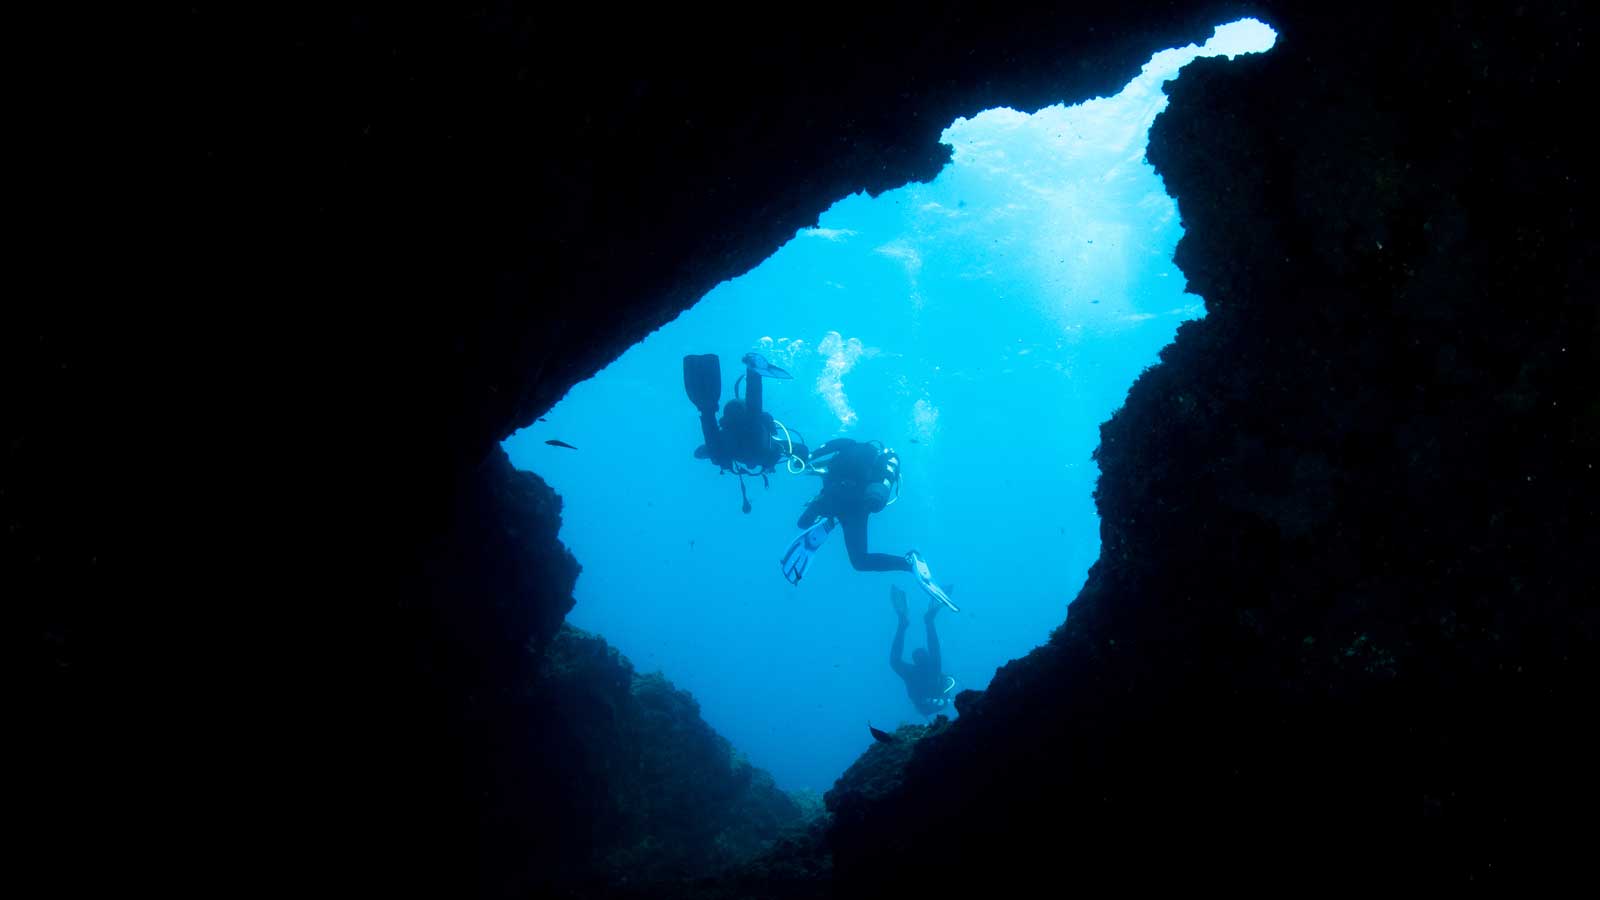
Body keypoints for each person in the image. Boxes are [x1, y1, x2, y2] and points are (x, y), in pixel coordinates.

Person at [778, 437, 956, 611]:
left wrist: (809, 457)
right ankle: (908, 563)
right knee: (860, 561)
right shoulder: (876, 465)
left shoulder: (846, 445)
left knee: (804, 523)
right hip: (859, 507)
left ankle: (829, 520)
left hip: (836, 497)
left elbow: (820, 452)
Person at [683, 352, 809, 512]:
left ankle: (753, 373)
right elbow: (801, 449)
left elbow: (699, 452)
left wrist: (720, 457)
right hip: (747, 437)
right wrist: (797, 460)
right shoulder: (768, 446)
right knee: (747, 427)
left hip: (739, 437)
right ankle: (752, 373)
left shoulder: (734, 442)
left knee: (743, 429)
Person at [889, 585, 957, 715]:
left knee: (897, 662)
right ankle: (918, 621)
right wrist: (929, 622)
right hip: (929, 690)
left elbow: (894, 660)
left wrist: (902, 626)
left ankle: (909, 622)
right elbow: (934, 648)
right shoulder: (931, 669)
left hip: (925, 693)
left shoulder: (913, 673)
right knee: (934, 659)